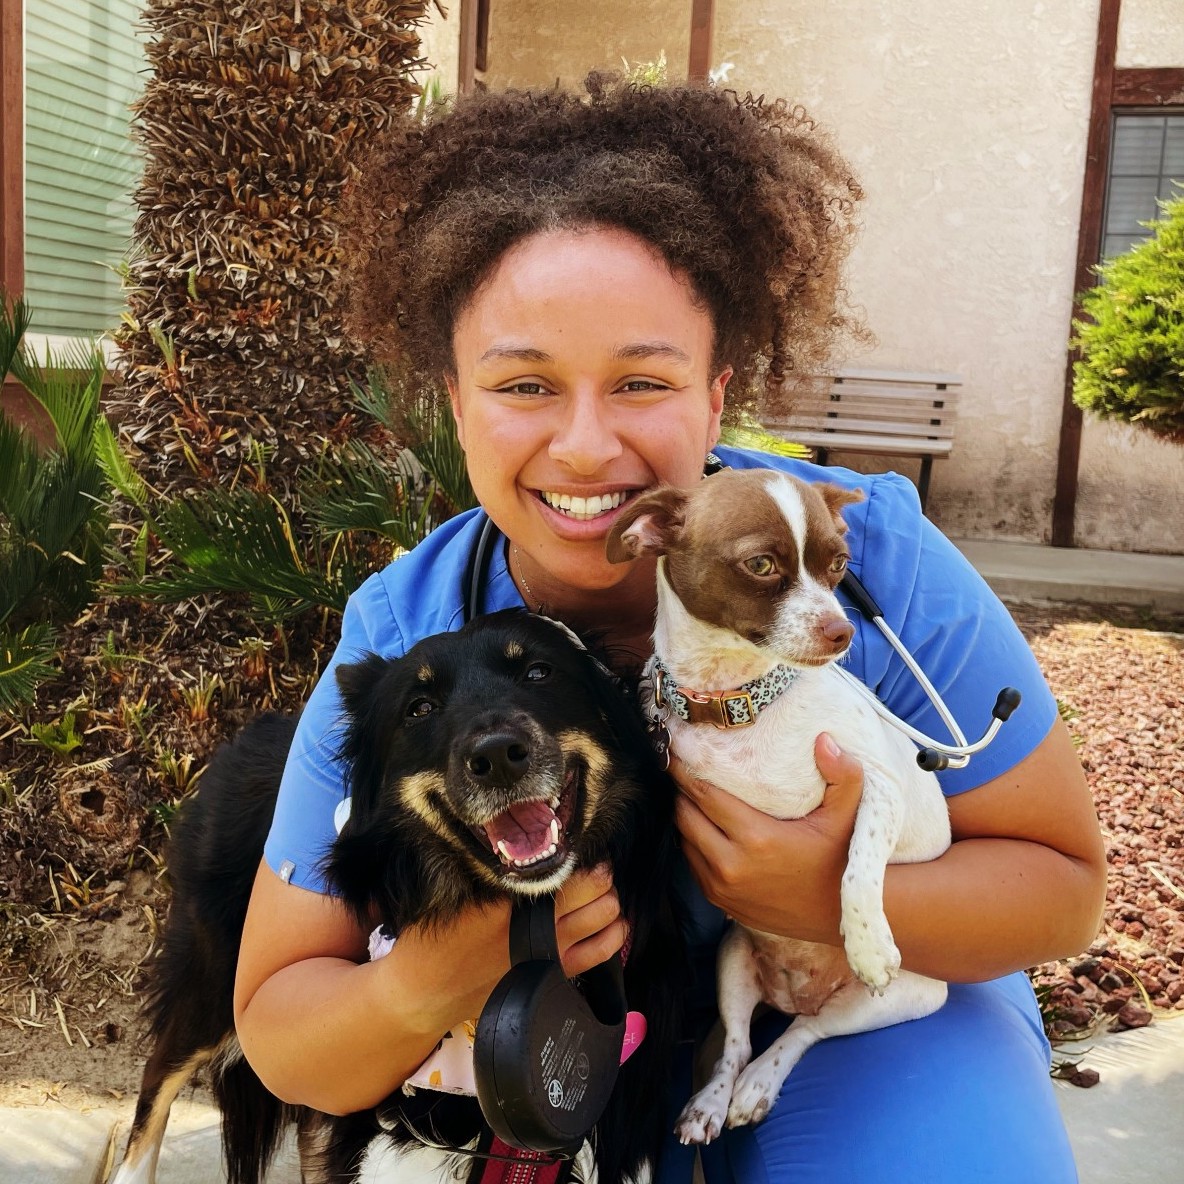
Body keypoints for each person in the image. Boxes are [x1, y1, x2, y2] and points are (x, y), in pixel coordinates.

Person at [232, 79, 1107, 1183]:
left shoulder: (861, 559)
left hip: (865, 1004)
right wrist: (428, 978)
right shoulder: (405, 635)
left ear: (715, 394)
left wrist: (828, 899)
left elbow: (1063, 885)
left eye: (641, 379)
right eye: (523, 384)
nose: (586, 445)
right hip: (565, 1034)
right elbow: (282, 1025)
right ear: (452, 402)